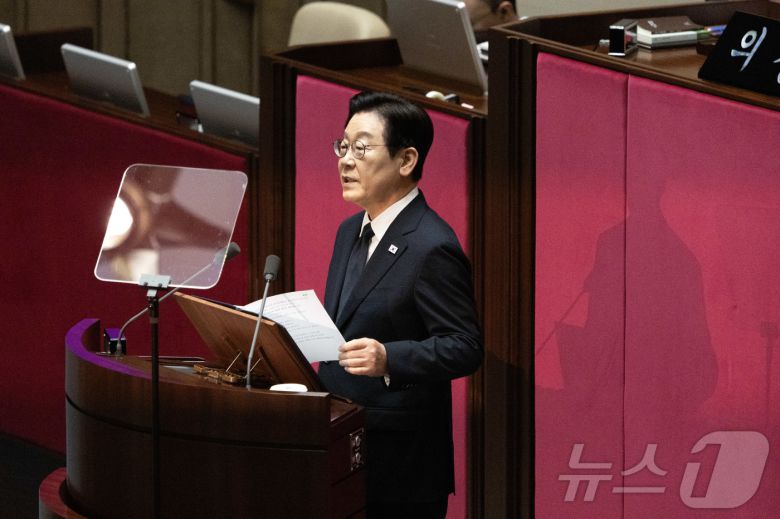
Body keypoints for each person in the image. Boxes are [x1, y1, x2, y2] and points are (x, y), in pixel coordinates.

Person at [318, 91, 483, 519]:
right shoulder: (349, 230)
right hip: (342, 445)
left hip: (401, 467)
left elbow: (464, 346)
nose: (345, 160)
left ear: (406, 160)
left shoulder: (432, 245)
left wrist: (389, 358)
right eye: (343, 146)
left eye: (361, 148)